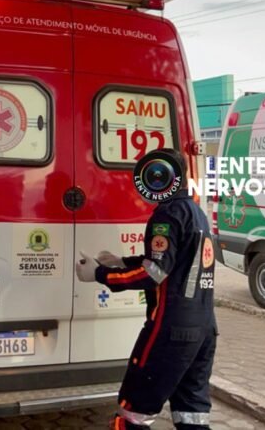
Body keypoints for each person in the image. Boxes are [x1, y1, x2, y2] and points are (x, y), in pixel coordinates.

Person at [75, 148, 217, 430]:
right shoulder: (196, 213)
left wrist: (101, 274)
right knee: (191, 413)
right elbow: (175, 262)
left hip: (170, 331)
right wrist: (121, 261)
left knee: (133, 412)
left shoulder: (167, 215)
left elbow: (155, 273)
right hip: (204, 329)